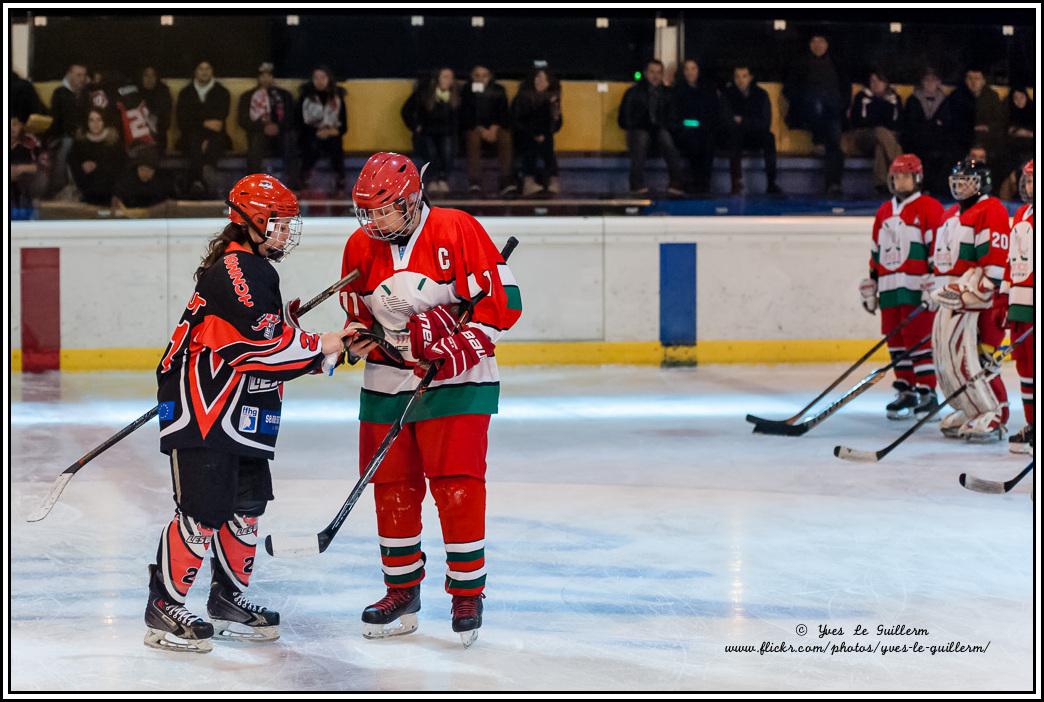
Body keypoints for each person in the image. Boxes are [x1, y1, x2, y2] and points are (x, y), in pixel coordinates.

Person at [146, 174, 354, 653]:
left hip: (240, 408)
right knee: (203, 512)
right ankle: (164, 606)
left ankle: (227, 599)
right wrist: (323, 342)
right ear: (254, 221)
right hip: (205, 408)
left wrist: (327, 350)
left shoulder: (252, 268)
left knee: (246, 507)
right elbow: (259, 349)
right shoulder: (237, 268)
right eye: (278, 223)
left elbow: (269, 348)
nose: (285, 233)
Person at [340, 152, 522, 647]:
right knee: (391, 485)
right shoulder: (358, 245)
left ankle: (467, 593)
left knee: (456, 485)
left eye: (386, 210)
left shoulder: (456, 228)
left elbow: (505, 302)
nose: (376, 222)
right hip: (386, 381)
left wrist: (460, 344)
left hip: (458, 382)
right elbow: (360, 314)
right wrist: (361, 337)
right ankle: (401, 590)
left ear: (411, 200)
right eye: (369, 212)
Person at [928, 159, 1011, 443]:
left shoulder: (991, 209)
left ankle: (995, 412)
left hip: (980, 304)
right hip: (951, 301)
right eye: (958, 181)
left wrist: (981, 293)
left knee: (980, 360)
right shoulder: (949, 214)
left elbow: (995, 262)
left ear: (981, 183)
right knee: (950, 362)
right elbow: (940, 261)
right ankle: (971, 408)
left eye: (967, 181)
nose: (960, 186)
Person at [859, 154, 944, 419]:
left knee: (918, 341)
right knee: (895, 342)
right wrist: (872, 283)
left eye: (906, 176)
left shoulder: (929, 207)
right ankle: (906, 390)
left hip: (917, 289)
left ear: (917, 178)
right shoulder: (884, 211)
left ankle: (927, 392)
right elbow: (876, 251)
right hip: (889, 289)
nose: (900, 181)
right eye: (896, 176)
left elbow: (937, 249)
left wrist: (935, 282)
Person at [783, 33, 847, 196]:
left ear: (827, 44)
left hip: (833, 113)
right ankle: (819, 139)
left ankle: (834, 184)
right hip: (807, 112)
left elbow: (845, 90)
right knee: (819, 108)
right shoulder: (800, 64)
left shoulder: (837, 64)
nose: (818, 45)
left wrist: (840, 105)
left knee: (834, 147)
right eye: (814, 41)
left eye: (821, 41)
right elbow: (788, 90)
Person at [1000, 159, 1033, 454]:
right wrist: (1004, 300)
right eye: (1029, 180)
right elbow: (1011, 260)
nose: (1031, 186)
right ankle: (1032, 424)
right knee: (1025, 368)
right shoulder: (1021, 214)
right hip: (1020, 304)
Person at [618, 59, 686, 196]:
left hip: (659, 131)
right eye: (652, 72)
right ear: (645, 73)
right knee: (642, 138)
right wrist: (639, 123)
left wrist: (665, 126)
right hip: (639, 130)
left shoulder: (668, 94)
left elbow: (673, 117)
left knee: (666, 138)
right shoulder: (633, 93)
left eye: (659, 73)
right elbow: (623, 119)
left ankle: (676, 183)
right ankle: (636, 184)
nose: (655, 76)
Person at [901, 67, 961, 197]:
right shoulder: (913, 100)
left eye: (933, 80)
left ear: (938, 82)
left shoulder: (946, 101)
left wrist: (931, 126)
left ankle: (939, 191)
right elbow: (911, 124)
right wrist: (933, 125)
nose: (930, 83)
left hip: (939, 141)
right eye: (926, 80)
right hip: (917, 141)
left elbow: (947, 124)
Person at [175, 61, 231, 198]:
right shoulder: (185, 93)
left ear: (212, 71)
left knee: (212, 144)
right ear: (195, 71)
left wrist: (196, 119)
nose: (204, 72)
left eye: (208, 68)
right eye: (201, 68)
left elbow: (218, 123)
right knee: (194, 142)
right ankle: (203, 184)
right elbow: (183, 122)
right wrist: (205, 122)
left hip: (215, 136)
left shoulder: (222, 92)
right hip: (190, 136)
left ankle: (197, 184)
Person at [401, 67, 460, 194]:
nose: (448, 80)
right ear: (437, 78)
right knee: (430, 150)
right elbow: (406, 111)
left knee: (447, 149)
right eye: (445, 77)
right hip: (426, 132)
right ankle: (433, 179)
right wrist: (415, 126)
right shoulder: (424, 93)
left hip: (447, 133)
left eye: (451, 77)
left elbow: (461, 118)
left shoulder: (456, 96)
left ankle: (443, 179)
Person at [724, 65, 779, 195]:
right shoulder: (727, 95)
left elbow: (765, 123)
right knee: (734, 135)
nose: (740, 80)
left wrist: (743, 121)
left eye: (744, 76)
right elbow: (726, 120)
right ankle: (736, 183)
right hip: (735, 135)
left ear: (750, 77)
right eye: (737, 77)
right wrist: (748, 122)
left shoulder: (761, 95)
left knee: (769, 138)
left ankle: (771, 184)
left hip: (755, 135)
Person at [845, 70, 903, 195]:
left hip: (886, 138)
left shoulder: (894, 99)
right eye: (872, 81)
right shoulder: (861, 97)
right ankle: (902, 170)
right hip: (863, 137)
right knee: (880, 131)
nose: (875, 84)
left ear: (885, 83)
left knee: (880, 146)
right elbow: (857, 121)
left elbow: (897, 123)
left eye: (879, 81)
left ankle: (881, 185)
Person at [460, 65, 514, 196]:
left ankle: (506, 180)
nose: (481, 79)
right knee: (473, 136)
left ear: (490, 77)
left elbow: (504, 113)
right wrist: (481, 129)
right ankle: (474, 182)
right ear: (472, 77)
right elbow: (465, 115)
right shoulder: (467, 90)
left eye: (484, 75)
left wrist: (494, 128)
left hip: (495, 128)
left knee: (505, 136)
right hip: (475, 128)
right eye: (477, 75)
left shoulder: (499, 90)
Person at [671, 58, 722, 195]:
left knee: (708, 141)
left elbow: (713, 114)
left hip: (705, 130)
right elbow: (677, 118)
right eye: (687, 69)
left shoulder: (708, 90)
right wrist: (693, 123)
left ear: (699, 70)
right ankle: (694, 181)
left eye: (693, 68)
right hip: (684, 130)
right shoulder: (677, 91)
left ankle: (704, 183)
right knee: (693, 140)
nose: (690, 72)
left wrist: (702, 124)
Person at [510, 67, 562, 196]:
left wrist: (555, 113)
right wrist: (534, 134)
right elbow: (517, 121)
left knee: (547, 142)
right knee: (531, 144)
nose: (540, 81)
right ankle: (528, 180)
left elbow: (556, 124)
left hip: (543, 135)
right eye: (538, 78)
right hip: (523, 133)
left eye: (544, 79)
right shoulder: (522, 97)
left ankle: (552, 179)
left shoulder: (553, 98)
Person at [238, 62, 295, 178]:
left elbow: (292, 118)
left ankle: (294, 183)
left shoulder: (285, 95)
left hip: (280, 134)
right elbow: (243, 120)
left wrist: (278, 127)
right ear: (258, 78)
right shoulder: (247, 96)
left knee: (290, 140)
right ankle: (253, 182)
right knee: (255, 142)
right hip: (258, 133)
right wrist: (262, 127)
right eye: (262, 76)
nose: (266, 79)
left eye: (269, 75)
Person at [297, 65, 347, 192]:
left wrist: (331, 131)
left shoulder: (337, 98)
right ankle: (304, 177)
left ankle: (340, 180)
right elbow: (299, 123)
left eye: (323, 77)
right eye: (316, 78)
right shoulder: (305, 98)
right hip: (310, 133)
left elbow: (344, 126)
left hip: (331, 132)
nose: (320, 81)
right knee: (310, 144)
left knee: (336, 144)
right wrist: (317, 132)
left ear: (329, 79)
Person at [43, 61, 88, 194]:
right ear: (69, 75)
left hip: (83, 134)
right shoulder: (60, 93)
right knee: (68, 144)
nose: (82, 79)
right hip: (63, 135)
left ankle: (84, 188)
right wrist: (74, 132)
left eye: (84, 75)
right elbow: (58, 121)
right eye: (78, 75)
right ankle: (60, 187)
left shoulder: (85, 94)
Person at [69, 108, 124, 206]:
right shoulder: (80, 141)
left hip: (109, 191)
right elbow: (72, 161)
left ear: (104, 121)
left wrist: (97, 166)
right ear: (87, 122)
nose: (95, 124)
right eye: (91, 120)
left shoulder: (113, 141)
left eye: (99, 119)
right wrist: (82, 167)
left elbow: (119, 166)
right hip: (85, 190)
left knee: (105, 210)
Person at [112, 145, 171, 212]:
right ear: (137, 168)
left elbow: (165, 204)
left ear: (154, 171)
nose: (145, 173)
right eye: (142, 169)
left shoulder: (160, 183)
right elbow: (117, 198)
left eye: (149, 171)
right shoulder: (127, 180)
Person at [10, 116, 50, 209]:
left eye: (14, 124)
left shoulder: (30, 141)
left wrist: (21, 168)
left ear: (21, 125)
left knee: (41, 177)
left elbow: (43, 164)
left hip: (27, 180)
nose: (11, 128)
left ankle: (30, 201)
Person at [138, 66, 173, 153]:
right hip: (137, 135)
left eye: (153, 75)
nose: (150, 79)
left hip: (157, 136)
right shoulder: (135, 92)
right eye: (146, 75)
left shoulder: (163, 92)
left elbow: (165, 122)